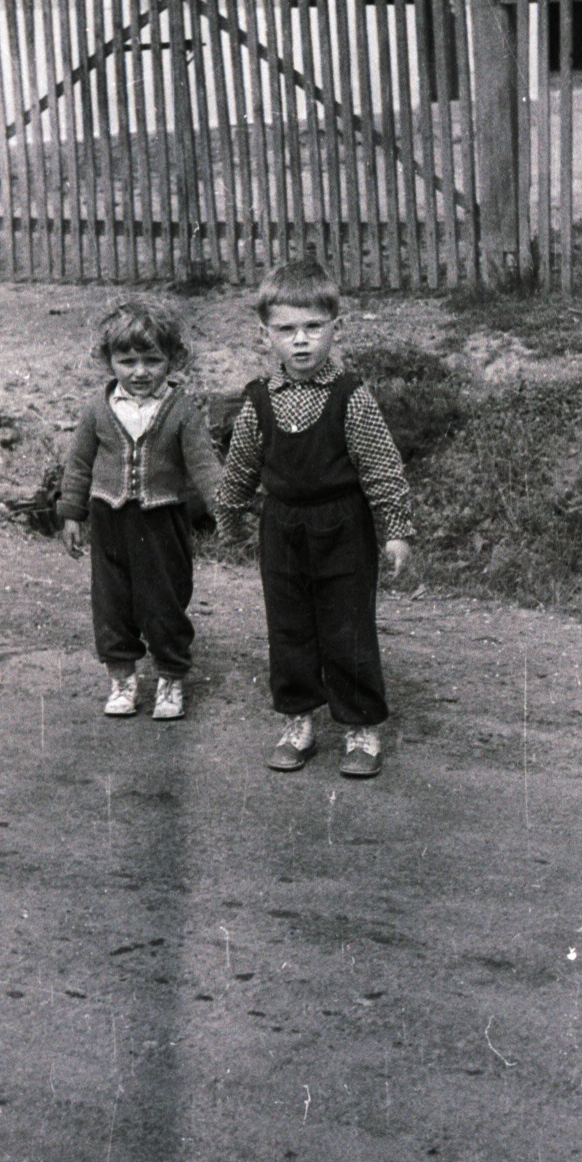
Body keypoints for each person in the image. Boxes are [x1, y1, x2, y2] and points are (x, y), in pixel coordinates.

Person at [217, 259, 413, 777]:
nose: (300, 341)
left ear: (335, 328)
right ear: (266, 335)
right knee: (289, 627)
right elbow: (239, 467)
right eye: (286, 330)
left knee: (347, 628)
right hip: (281, 529)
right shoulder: (259, 402)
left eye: (312, 327)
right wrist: (230, 516)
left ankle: (361, 727)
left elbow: (382, 467)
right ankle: (298, 721)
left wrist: (394, 530)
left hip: (343, 528)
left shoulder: (351, 398)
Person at [59, 300, 222, 721]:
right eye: (127, 361)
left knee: (164, 601)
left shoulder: (181, 409)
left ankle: (170, 678)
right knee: (111, 602)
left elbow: (203, 464)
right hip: (109, 520)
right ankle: (122, 679)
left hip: (162, 520)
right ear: (108, 361)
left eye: (152, 360)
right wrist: (72, 514)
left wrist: (226, 509)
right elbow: (78, 464)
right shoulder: (98, 409)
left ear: (173, 359)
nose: (139, 372)